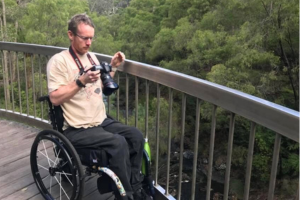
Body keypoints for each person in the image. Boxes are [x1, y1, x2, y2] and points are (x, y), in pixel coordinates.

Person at [47, 13, 147, 200]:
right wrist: (80, 81)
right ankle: (125, 196)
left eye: (91, 38)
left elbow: (99, 88)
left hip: (100, 120)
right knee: (118, 143)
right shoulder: (59, 62)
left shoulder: (91, 57)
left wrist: (113, 67)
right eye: (84, 38)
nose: (89, 43)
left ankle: (134, 186)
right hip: (77, 127)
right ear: (71, 35)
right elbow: (54, 98)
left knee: (136, 136)